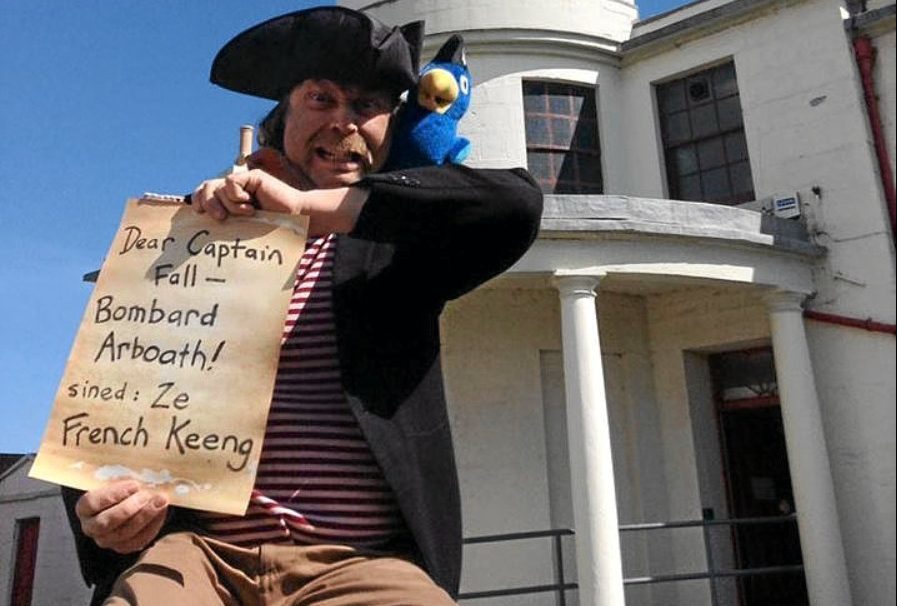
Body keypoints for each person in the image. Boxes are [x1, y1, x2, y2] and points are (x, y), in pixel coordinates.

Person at [62, 7, 543, 605]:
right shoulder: (188, 245)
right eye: (322, 98)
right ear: (281, 118)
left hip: (361, 560)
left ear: (392, 127)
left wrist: (313, 205)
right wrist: (100, 506)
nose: (344, 122)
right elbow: (105, 397)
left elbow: (514, 206)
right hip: (202, 555)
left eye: (368, 105)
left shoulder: (396, 253)